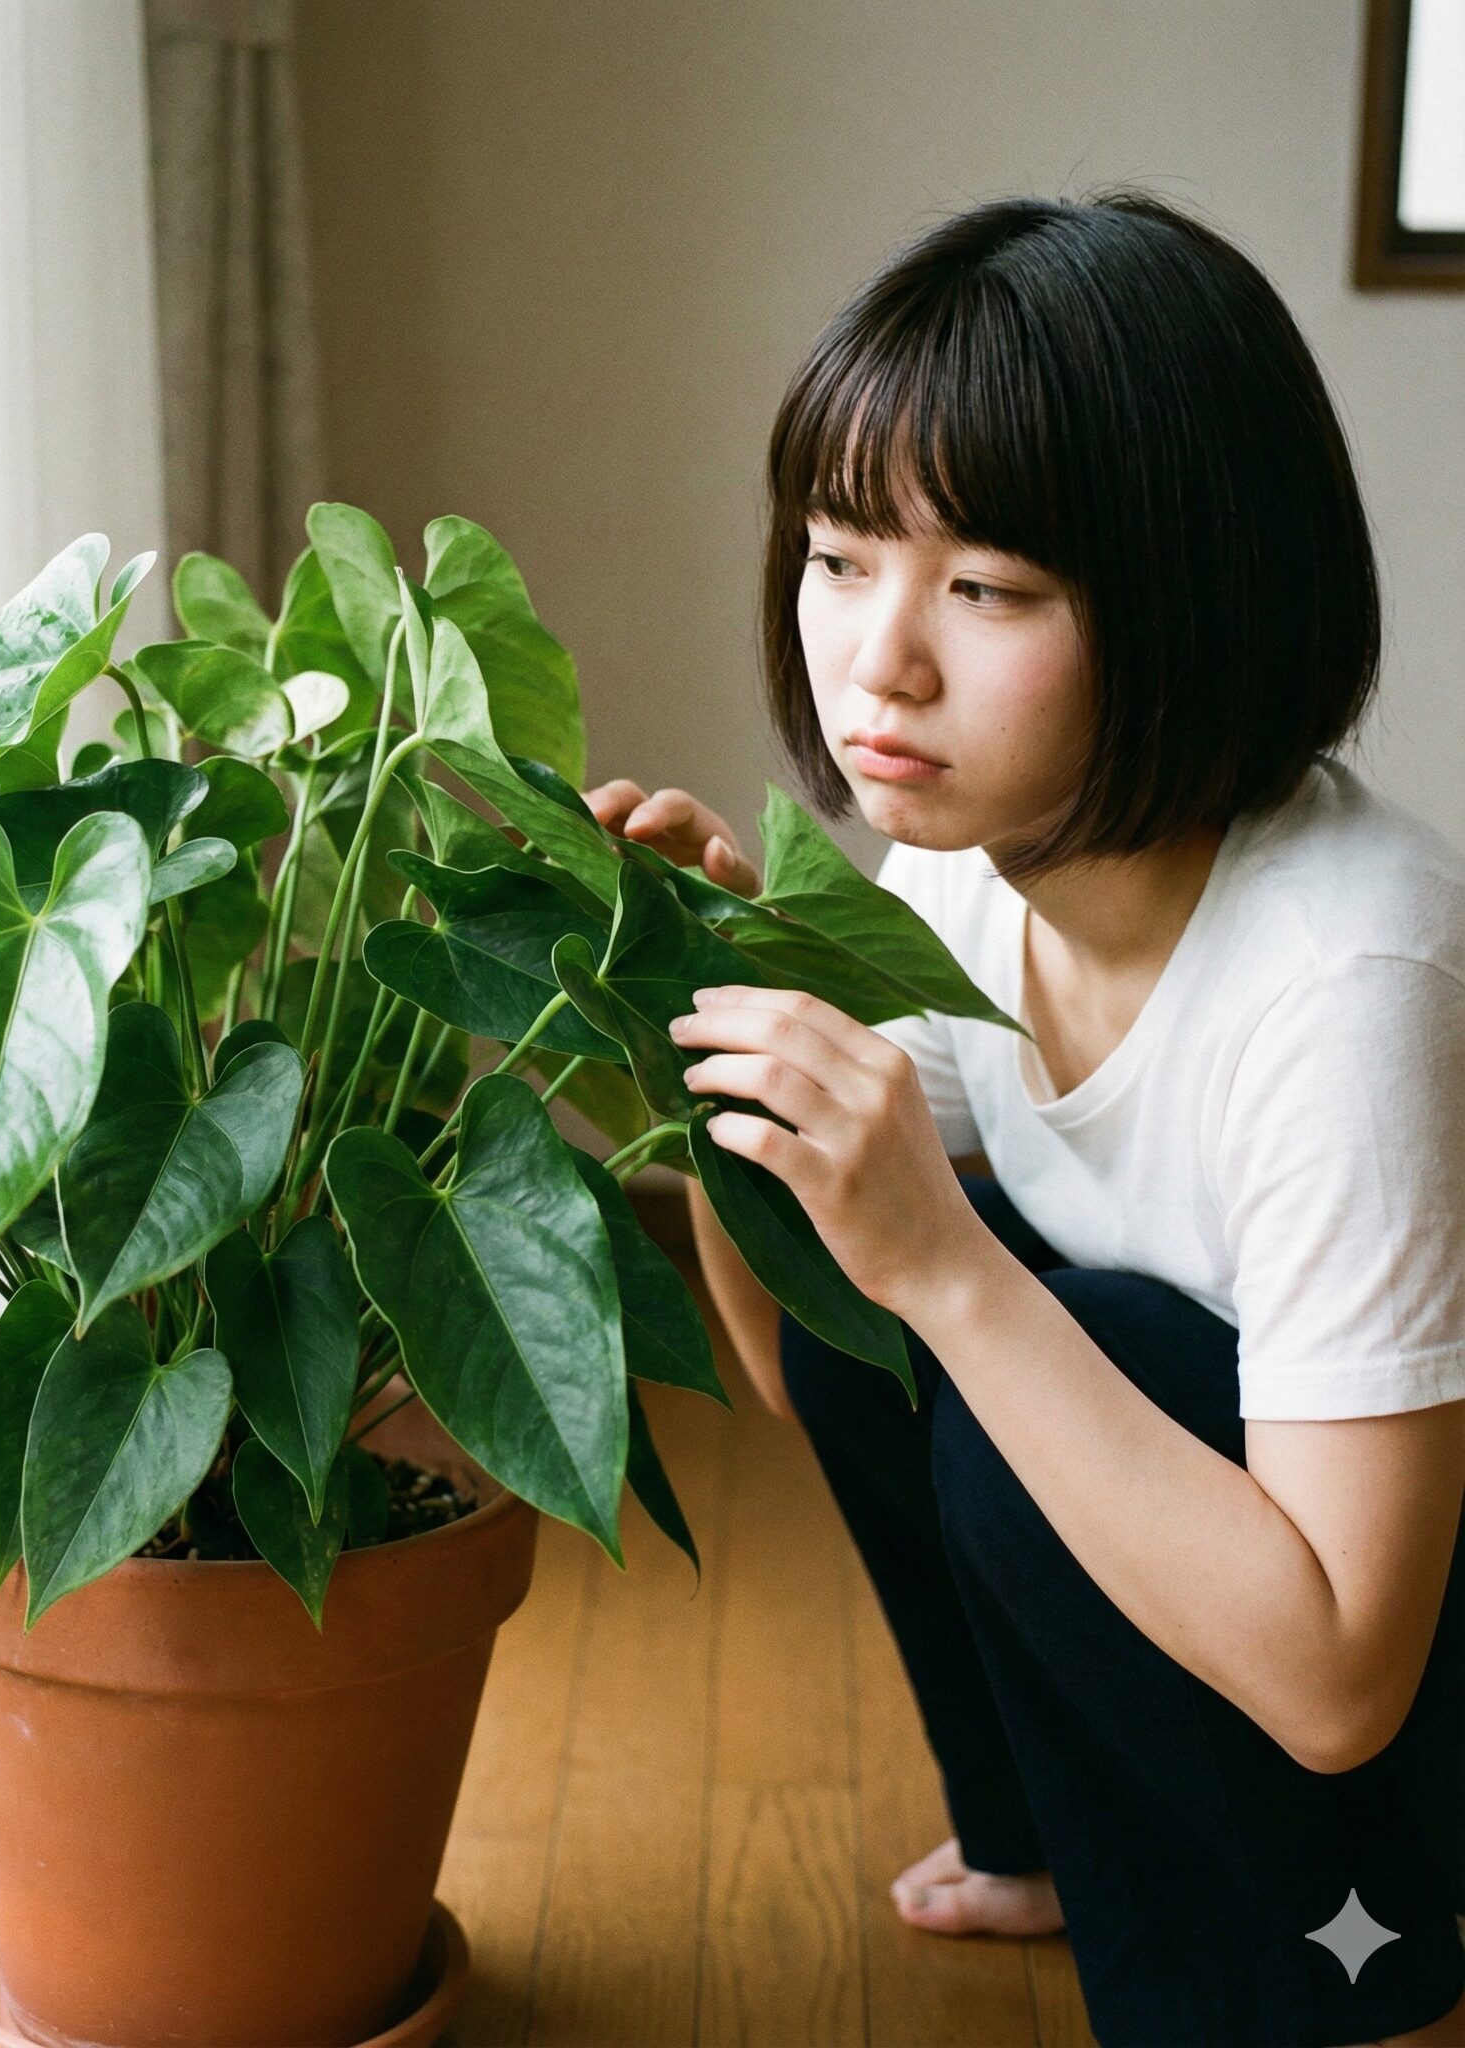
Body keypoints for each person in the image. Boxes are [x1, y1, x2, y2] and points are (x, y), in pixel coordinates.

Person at [584, 190, 1465, 2048]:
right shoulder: (973, 871)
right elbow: (813, 1377)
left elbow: (1343, 1682)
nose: (880, 661)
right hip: (1284, 1559)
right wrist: (709, 1023)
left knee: (1038, 1343)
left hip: (1406, 1654)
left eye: (985, 589)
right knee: (926, 1338)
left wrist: (953, 1273)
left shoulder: (1351, 984)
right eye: (840, 558)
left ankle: (1346, 1980)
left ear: (1185, 602)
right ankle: (1051, 1841)